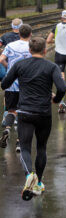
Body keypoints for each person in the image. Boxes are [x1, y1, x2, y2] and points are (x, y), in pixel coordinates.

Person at [1, 37, 66, 201]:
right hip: (44, 113)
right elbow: (62, 87)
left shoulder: (20, 65)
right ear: (45, 50)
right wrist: (56, 100)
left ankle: (29, 175)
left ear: (29, 50)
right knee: (42, 147)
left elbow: (5, 84)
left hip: (25, 112)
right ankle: (39, 182)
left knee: (25, 147)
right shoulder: (51, 67)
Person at [0, 24, 32, 152]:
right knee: (23, 113)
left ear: (19, 33)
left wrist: (8, 67)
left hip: (12, 84)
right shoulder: (32, 46)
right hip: (26, 84)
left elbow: (1, 58)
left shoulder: (10, 46)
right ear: (30, 34)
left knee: (11, 110)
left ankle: (7, 128)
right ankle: (19, 142)